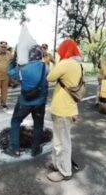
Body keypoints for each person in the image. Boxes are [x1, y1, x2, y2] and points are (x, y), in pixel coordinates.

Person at [46, 38, 83, 182]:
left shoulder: (65, 63)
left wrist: (50, 62)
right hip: (69, 108)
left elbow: (50, 77)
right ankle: (57, 165)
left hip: (62, 109)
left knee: (62, 142)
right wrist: (57, 63)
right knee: (59, 140)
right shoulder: (76, 64)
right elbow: (64, 75)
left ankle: (65, 171)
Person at [6, 45, 49, 157]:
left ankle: (15, 149)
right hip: (40, 104)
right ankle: (35, 150)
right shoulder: (46, 68)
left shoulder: (23, 70)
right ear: (40, 55)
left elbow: (10, 72)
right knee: (38, 125)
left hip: (25, 102)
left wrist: (13, 60)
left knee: (15, 121)